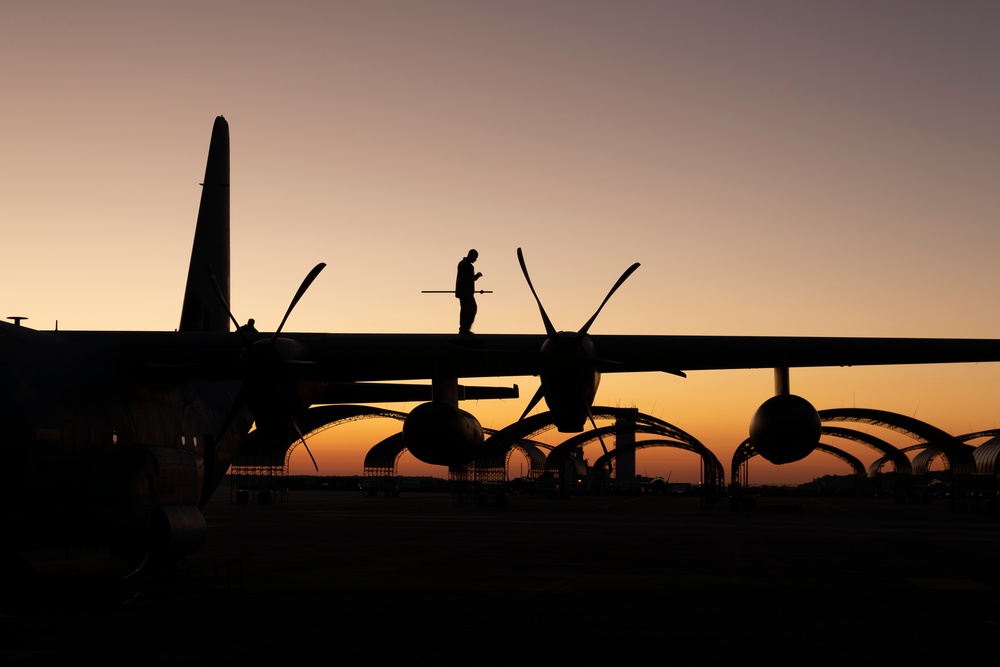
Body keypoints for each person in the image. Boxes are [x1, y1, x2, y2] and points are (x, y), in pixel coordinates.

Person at [455, 249, 482, 334]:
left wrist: (476, 277)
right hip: (465, 293)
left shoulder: (463, 264)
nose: (475, 260)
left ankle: (464, 328)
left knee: (467, 309)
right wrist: (476, 277)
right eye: (475, 258)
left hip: (465, 292)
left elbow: (468, 278)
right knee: (470, 309)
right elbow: (467, 279)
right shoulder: (466, 265)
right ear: (471, 256)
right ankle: (464, 329)